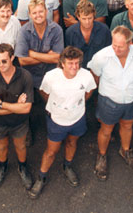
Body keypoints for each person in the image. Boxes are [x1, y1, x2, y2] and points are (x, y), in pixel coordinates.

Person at [31, 46, 97, 197]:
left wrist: (76, 106)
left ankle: (67, 166)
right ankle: (42, 176)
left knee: (72, 143)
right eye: (70, 63)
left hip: (77, 119)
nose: (74, 67)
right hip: (56, 120)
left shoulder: (86, 76)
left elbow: (89, 91)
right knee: (51, 151)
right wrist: (58, 107)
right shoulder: (50, 76)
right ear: (62, 63)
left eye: (77, 63)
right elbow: (44, 92)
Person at [87, 25, 133, 180]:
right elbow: (94, 76)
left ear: (130, 43)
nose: (116, 49)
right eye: (114, 45)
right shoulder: (101, 57)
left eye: (120, 47)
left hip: (131, 99)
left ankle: (125, 150)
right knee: (106, 129)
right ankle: (102, 155)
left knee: (127, 125)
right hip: (109, 101)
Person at [0, 42, 35, 190]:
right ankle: (2, 167)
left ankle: (22, 167)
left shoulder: (25, 76)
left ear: (12, 58)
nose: (1, 65)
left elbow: (26, 109)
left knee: (20, 145)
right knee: (1, 146)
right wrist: (16, 107)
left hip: (19, 122)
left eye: (4, 61)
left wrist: (2, 105)